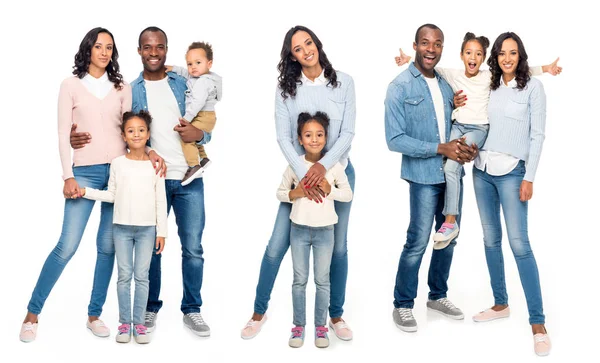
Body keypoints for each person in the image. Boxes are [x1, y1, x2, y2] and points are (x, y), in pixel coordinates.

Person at [70, 26, 211, 337]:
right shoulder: (131, 89)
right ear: (138, 51)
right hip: (153, 178)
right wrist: (72, 134)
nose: (154, 53)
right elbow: (118, 127)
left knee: (193, 249)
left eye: (160, 47)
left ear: (167, 49)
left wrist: (201, 135)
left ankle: (192, 310)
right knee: (152, 250)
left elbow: (212, 86)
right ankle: (148, 308)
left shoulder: (183, 80)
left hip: (188, 176)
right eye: (147, 47)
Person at [20, 27, 135, 343]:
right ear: (88, 49)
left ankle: (94, 314)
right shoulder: (70, 85)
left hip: (117, 173)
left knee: (107, 247)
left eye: (109, 47)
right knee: (67, 245)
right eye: (98, 46)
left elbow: (130, 129)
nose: (104, 52)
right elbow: (61, 133)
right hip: (83, 173)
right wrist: (67, 174)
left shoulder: (122, 87)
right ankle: (32, 314)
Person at [241, 25, 356, 341]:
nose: (306, 50)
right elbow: (282, 135)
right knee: (277, 244)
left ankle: (334, 316)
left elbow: (347, 133)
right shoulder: (285, 90)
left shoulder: (344, 82)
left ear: (317, 44)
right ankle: (258, 312)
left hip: (337, 172)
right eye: (297, 48)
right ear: (291, 56)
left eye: (309, 43)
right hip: (299, 174)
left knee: (339, 248)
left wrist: (323, 166)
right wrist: (305, 172)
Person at [394, 33, 561, 249]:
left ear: (483, 58)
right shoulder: (452, 75)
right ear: (462, 55)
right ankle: (447, 218)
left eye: (479, 54)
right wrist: (407, 59)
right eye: (469, 52)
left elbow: (520, 71)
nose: (473, 57)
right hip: (458, 126)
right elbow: (429, 69)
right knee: (447, 166)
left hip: (477, 129)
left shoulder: (488, 76)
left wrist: (546, 68)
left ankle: (450, 221)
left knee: (453, 165)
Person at [384, 23, 478, 333]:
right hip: (423, 176)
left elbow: (461, 125)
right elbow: (394, 139)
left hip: (452, 175)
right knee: (418, 240)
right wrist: (440, 148)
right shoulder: (399, 87)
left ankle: (437, 295)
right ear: (415, 45)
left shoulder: (448, 85)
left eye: (437, 44)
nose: (431, 49)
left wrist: (467, 150)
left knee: (448, 236)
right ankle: (403, 304)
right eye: (425, 43)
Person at [467, 32, 552, 357]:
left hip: (513, 174)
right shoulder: (489, 84)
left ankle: (538, 324)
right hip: (482, 171)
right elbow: (461, 71)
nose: (506, 58)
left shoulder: (533, 88)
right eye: (501, 53)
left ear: (521, 56)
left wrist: (529, 177)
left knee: (520, 245)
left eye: (512, 53)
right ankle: (501, 303)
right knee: (490, 240)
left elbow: (538, 134)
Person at [79, 110, 167, 344]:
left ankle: (139, 324)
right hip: (122, 229)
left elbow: (161, 200)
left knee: (142, 277)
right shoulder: (118, 164)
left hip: (148, 229)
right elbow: (111, 194)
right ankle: (124, 324)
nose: (136, 135)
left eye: (141, 130)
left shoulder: (155, 164)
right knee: (124, 277)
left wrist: (162, 232)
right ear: (123, 136)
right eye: (131, 131)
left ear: (148, 134)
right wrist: (86, 191)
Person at [277, 112, 353, 348]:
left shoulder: (334, 166)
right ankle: (298, 327)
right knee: (299, 281)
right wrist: (296, 193)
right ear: (300, 139)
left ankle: (321, 327)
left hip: (325, 232)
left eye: (319, 135)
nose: (314, 139)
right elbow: (280, 192)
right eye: (308, 135)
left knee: (322, 281)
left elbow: (348, 194)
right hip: (298, 230)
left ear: (326, 137)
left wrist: (329, 189)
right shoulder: (295, 165)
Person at [166, 41, 222, 186]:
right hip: (207, 115)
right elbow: (187, 74)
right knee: (194, 137)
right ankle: (203, 158)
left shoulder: (203, 82)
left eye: (198, 62)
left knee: (186, 137)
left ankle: (193, 166)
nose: (193, 67)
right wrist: (173, 68)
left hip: (202, 114)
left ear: (209, 64)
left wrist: (186, 119)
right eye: (190, 64)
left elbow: (197, 102)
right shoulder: (199, 76)